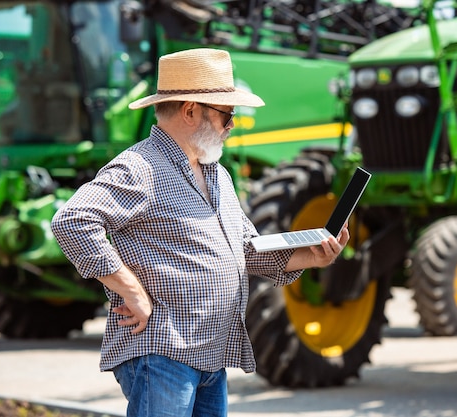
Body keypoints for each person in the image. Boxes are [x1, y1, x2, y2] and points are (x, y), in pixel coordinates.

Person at [51, 48, 349, 417]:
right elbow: (73, 221)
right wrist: (131, 291)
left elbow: (244, 249)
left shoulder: (216, 174)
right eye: (227, 115)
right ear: (191, 111)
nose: (232, 125)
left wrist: (311, 255)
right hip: (163, 351)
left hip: (210, 353)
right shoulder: (140, 167)